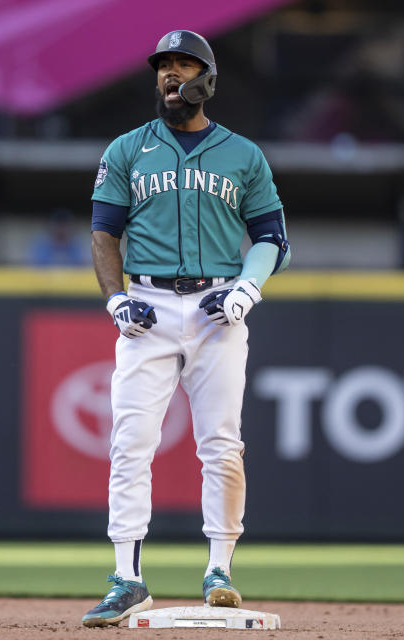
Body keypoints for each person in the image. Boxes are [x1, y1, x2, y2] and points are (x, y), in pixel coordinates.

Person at [83, 30, 291, 628]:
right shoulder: (126, 149)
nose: (171, 76)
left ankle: (220, 569)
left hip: (216, 308)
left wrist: (247, 288)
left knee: (222, 444)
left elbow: (273, 239)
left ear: (208, 79)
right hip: (146, 309)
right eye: (163, 67)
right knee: (129, 443)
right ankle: (126, 578)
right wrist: (116, 299)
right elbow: (104, 235)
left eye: (183, 66)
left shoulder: (243, 155)